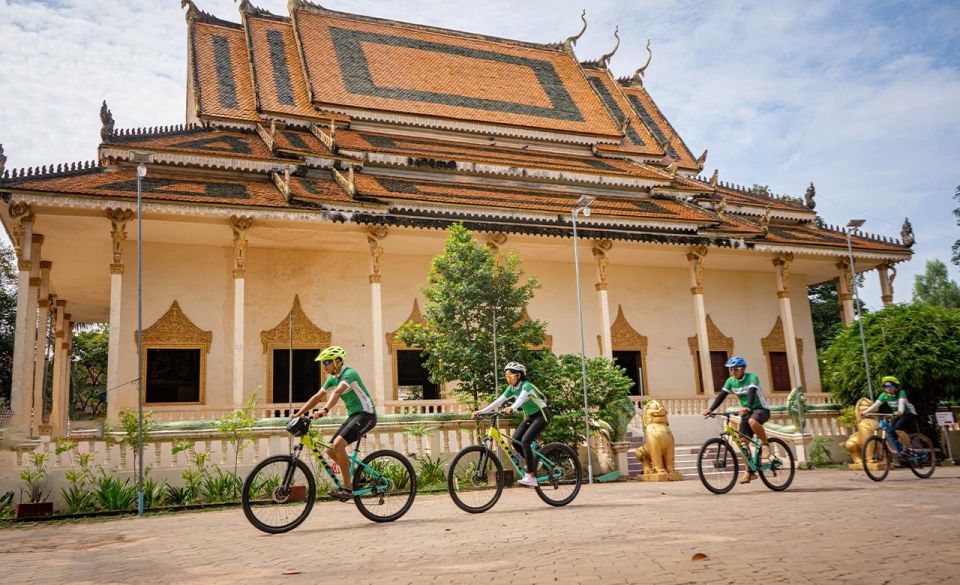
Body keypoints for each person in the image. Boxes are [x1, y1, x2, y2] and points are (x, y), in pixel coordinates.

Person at [291, 346, 376, 500]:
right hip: (354, 416)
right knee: (330, 450)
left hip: (367, 414)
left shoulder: (349, 374)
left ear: (337, 361)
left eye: (327, 362)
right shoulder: (332, 378)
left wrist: (325, 409)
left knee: (338, 445)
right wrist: (298, 414)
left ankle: (348, 487)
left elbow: (337, 392)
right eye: (323, 363)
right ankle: (361, 477)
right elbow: (317, 396)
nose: (324, 366)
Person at [474, 361, 551, 488]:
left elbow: (520, 400)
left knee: (525, 441)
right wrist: (481, 411)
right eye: (506, 377)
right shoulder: (512, 388)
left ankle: (531, 476)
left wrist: (512, 408)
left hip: (542, 416)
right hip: (531, 417)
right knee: (516, 441)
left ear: (519, 375)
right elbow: (499, 401)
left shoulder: (527, 386)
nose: (508, 379)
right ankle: (533, 462)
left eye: (510, 377)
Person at [701, 356, 772, 484]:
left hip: (760, 409)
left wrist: (748, 407)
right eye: (731, 369)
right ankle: (749, 472)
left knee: (752, 421)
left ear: (743, 369)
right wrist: (710, 409)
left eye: (736, 369)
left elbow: (751, 393)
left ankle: (765, 444)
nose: (733, 371)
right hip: (746, 411)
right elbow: (721, 396)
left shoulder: (752, 378)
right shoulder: (731, 381)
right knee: (743, 443)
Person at [859, 375, 917, 452]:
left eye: (891, 386)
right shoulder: (884, 395)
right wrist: (864, 412)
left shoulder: (901, 393)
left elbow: (901, 403)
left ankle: (910, 450)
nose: (888, 388)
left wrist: (900, 411)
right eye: (885, 386)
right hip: (896, 414)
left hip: (908, 413)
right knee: (891, 432)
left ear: (895, 386)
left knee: (898, 429)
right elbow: (876, 405)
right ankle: (901, 452)